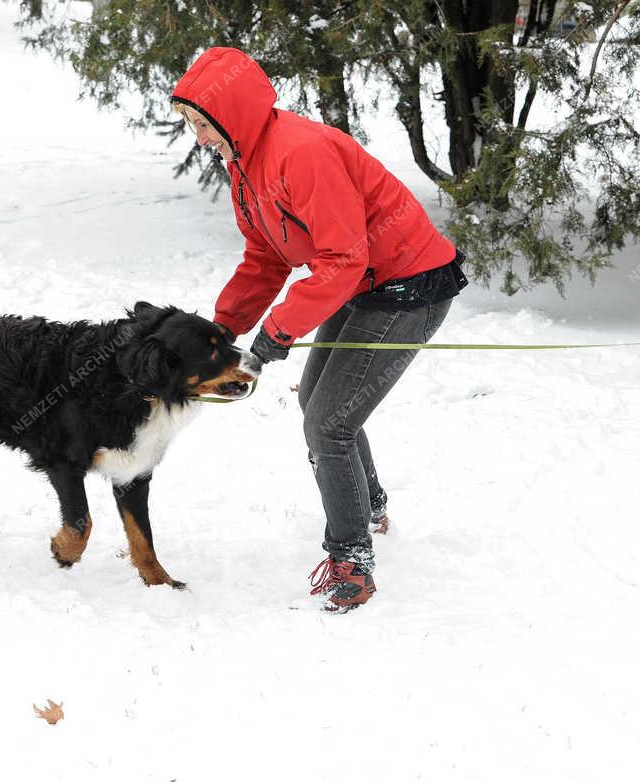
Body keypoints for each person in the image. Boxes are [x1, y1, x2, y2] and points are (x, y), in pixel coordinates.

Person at [172, 47, 467, 612]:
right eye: (191, 124)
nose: (199, 138)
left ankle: (352, 559)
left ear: (232, 115)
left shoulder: (300, 154)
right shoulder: (246, 163)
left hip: (407, 286)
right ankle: (370, 505)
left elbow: (342, 258)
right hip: (358, 281)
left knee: (329, 422)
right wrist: (221, 330)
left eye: (203, 124)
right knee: (320, 403)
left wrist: (276, 333)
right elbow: (265, 256)